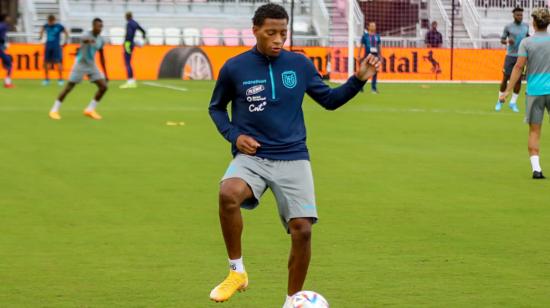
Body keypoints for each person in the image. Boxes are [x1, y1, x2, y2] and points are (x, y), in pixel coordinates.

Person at [207, 3, 380, 307]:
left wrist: (358, 80)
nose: (278, 39)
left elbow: (328, 100)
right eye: (271, 32)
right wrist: (235, 136)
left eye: (283, 33)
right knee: (228, 193)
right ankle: (236, 271)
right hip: (254, 157)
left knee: (302, 231)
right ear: (255, 31)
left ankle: (292, 301)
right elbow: (216, 108)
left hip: (293, 156)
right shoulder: (234, 68)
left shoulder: (299, 65)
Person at [500, 8, 550, 179]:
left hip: (534, 92)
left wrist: (507, 91)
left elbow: (518, 67)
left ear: (534, 23)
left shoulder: (527, 43)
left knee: (535, 131)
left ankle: (536, 169)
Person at [49, 18, 109, 120]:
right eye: (98, 26)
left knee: (103, 87)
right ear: (93, 26)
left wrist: (106, 73)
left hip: (91, 65)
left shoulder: (101, 40)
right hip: (80, 64)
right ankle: (54, 110)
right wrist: (89, 41)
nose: (100, 28)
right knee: (69, 88)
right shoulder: (86, 34)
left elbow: (102, 56)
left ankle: (90, 109)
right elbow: (83, 39)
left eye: (101, 26)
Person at [495, 6, 529, 113]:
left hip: (522, 56)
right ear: (513, 15)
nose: (520, 16)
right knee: (505, 78)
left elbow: (527, 36)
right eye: (518, 15)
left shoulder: (526, 26)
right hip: (510, 56)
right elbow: (502, 40)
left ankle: (513, 103)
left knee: (518, 80)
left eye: (521, 15)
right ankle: (499, 101)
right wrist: (508, 42)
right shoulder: (508, 27)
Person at [39, 15, 69, 86]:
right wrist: (41, 37)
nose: (50, 23)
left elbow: (66, 32)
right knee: (46, 63)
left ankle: (60, 79)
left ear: (54, 20)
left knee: (58, 63)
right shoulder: (46, 26)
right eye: (49, 21)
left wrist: (65, 41)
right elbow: (42, 30)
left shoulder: (59, 26)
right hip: (48, 46)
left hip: (56, 47)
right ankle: (46, 79)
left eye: (51, 21)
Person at [119, 12, 146, 89]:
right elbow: (143, 31)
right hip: (132, 43)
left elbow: (129, 34)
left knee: (127, 63)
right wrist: (142, 40)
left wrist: (126, 42)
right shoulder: (135, 23)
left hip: (128, 43)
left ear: (126, 17)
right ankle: (132, 80)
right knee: (129, 62)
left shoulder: (129, 24)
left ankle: (130, 81)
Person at [358, 22, 381, 94]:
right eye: (372, 25)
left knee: (375, 72)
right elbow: (361, 45)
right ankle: (360, 88)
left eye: (374, 25)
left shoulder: (377, 36)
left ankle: (373, 88)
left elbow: (379, 46)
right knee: (364, 72)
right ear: (368, 27)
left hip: (375, 56)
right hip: (367, 56)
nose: (373, 27)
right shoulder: (365, 36)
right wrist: (359, 55)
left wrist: (380, 55)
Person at [0, 14, 14, 88]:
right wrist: (3, 43)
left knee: (9, 62)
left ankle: (7, 82)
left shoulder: (4, 26)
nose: (9, 18)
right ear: (5, 18)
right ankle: (7, 83)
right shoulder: (3, 26)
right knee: (10, 63)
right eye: (8, 17)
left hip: (1, 48)